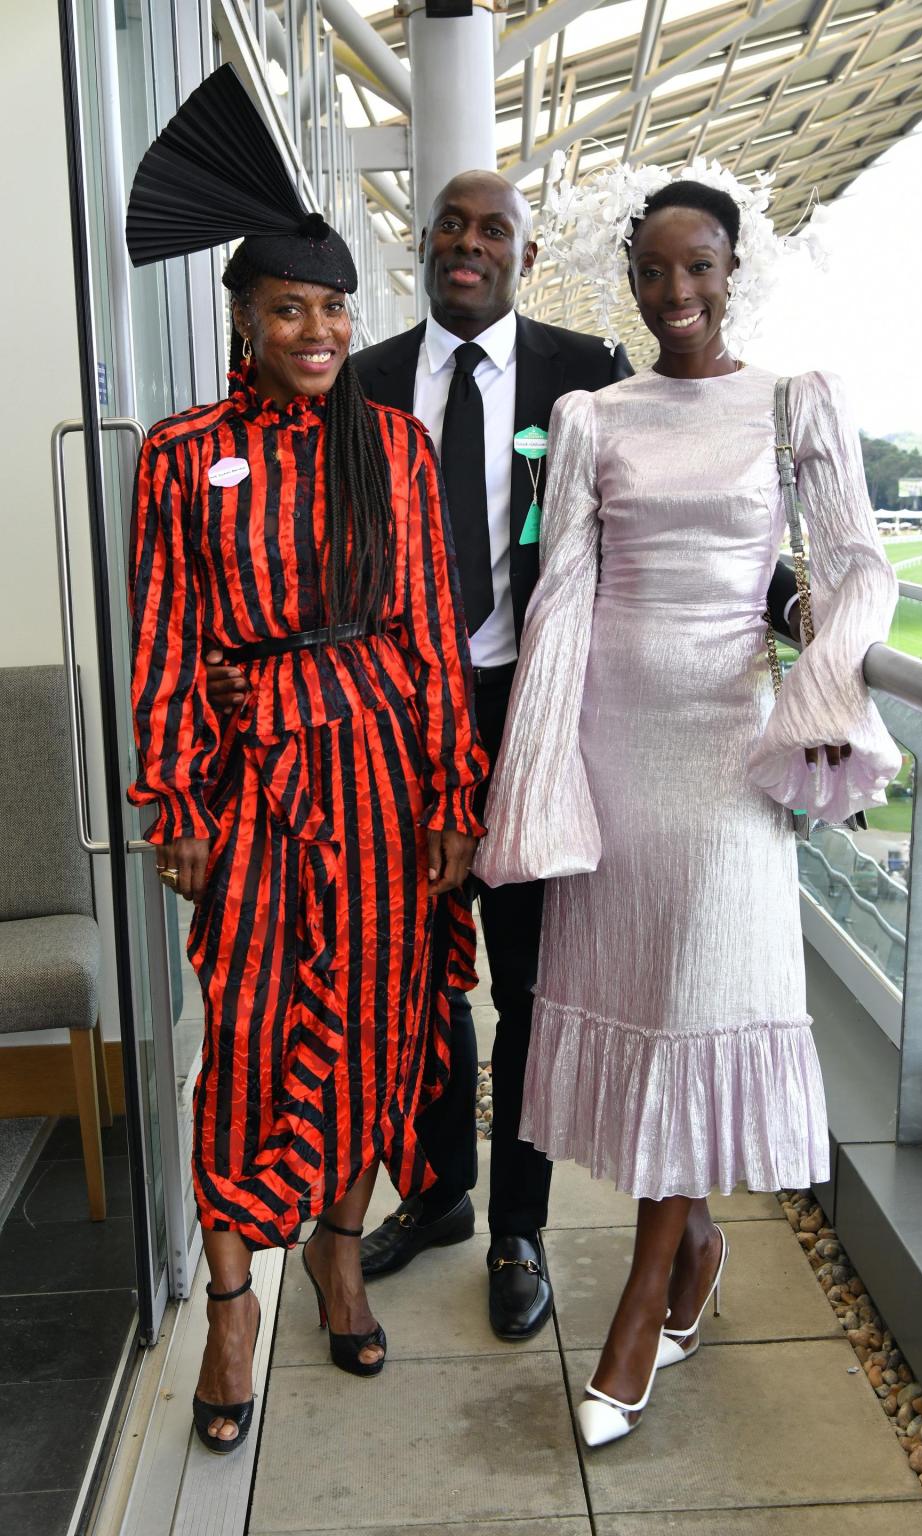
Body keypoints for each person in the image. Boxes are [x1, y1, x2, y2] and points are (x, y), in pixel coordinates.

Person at [207, 168, 801, 1343]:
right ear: (423, 247)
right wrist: (244, 657)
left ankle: (520, 1226)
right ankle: (439, 1191)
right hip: (387, 726)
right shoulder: (357, 376)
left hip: (547, 719)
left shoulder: (587, 373)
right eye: (451, 227)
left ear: (525, 256)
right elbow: (286, 536)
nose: (468, 245)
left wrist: (793, 606)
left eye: (494, 231)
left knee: (531, 977)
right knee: (419, 971)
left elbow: (685, 518)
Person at [474, 164, 900, 1446]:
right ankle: (700, 1242)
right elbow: (560, 597)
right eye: (653, 271)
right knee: (651, 1006)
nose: (675, 293)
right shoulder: (592, 415)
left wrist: (821, 678)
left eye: (698, 267)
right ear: (633, 279)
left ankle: (642, 1298)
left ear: (734, 268)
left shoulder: (794, 402)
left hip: (726, 754)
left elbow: (860, 564)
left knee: (705, 998)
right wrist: (537, 768)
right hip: (613, 747)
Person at [125, 66, 485, 1453]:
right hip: (261, 790)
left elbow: (437, 637)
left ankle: (340, 1248)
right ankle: (232, 1303)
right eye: (291, 308)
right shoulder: (181, 458)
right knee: (256, 1044)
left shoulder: (392, 445)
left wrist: (459, 795)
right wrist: (174, 800)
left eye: (336, 307)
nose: (321, 329)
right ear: (243, 319)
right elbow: (164, 641)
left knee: (382, 1036)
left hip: (392, 789)